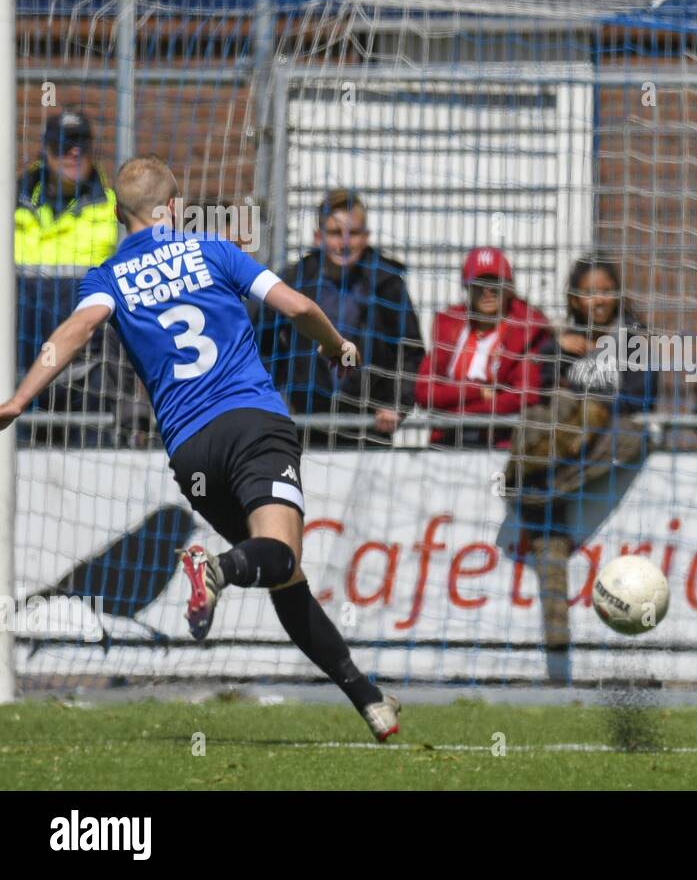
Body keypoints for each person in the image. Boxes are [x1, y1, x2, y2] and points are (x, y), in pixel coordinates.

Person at [0, 155, 401, 742]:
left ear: (116, 212)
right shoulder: (213, 251)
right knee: (280, 557)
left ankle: (367, 698)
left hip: (190, 454)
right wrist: (337, 345)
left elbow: (70, 336)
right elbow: (298, 307)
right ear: (177, 208)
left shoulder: (107, 277)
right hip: (253, 423)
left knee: (281, 574)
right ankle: (214, 569)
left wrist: (17, 400)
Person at [504, 256, 658, 682]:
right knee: (547, 416)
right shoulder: (558, 343)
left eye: (605, 290)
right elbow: (539, 393)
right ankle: (556, 635)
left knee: (613, 424)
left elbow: (641, 399)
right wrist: (558, 350)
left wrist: (587, 390)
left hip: (598, 446)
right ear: (574, 298)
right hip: (566, 449)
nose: (598, 300)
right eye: (588, 292)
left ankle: (525, 482)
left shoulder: (634, 341)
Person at [254, 189, 425, 448]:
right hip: (304, 425)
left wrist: (396, 406)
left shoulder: (387, 283)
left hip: (369, 427)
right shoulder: (294, 281)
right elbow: (263, 345)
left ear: (366, 237)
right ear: (318, 237)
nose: (344, 243)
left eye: (353, 233)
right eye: (335, 233)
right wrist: (273, 400)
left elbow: (410, 351)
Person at [15, 110, 130, 444]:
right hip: (21, 359)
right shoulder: (13, 203)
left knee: (91, 456)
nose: (74, 153)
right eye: (63, 145)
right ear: (45, 150)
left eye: (81, 144)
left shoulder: (115, 207)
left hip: (89, 361)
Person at [414, 246, 548, 448]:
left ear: (508, 287)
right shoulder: (449, 327)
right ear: (467, 288)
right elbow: (425, 393)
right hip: (447, 442)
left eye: (494, 284)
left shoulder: (526, 331)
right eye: (478, 284)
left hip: (499, 443)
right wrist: (477, 392)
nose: (487, 292)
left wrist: (457, 413)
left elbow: (525, 395)